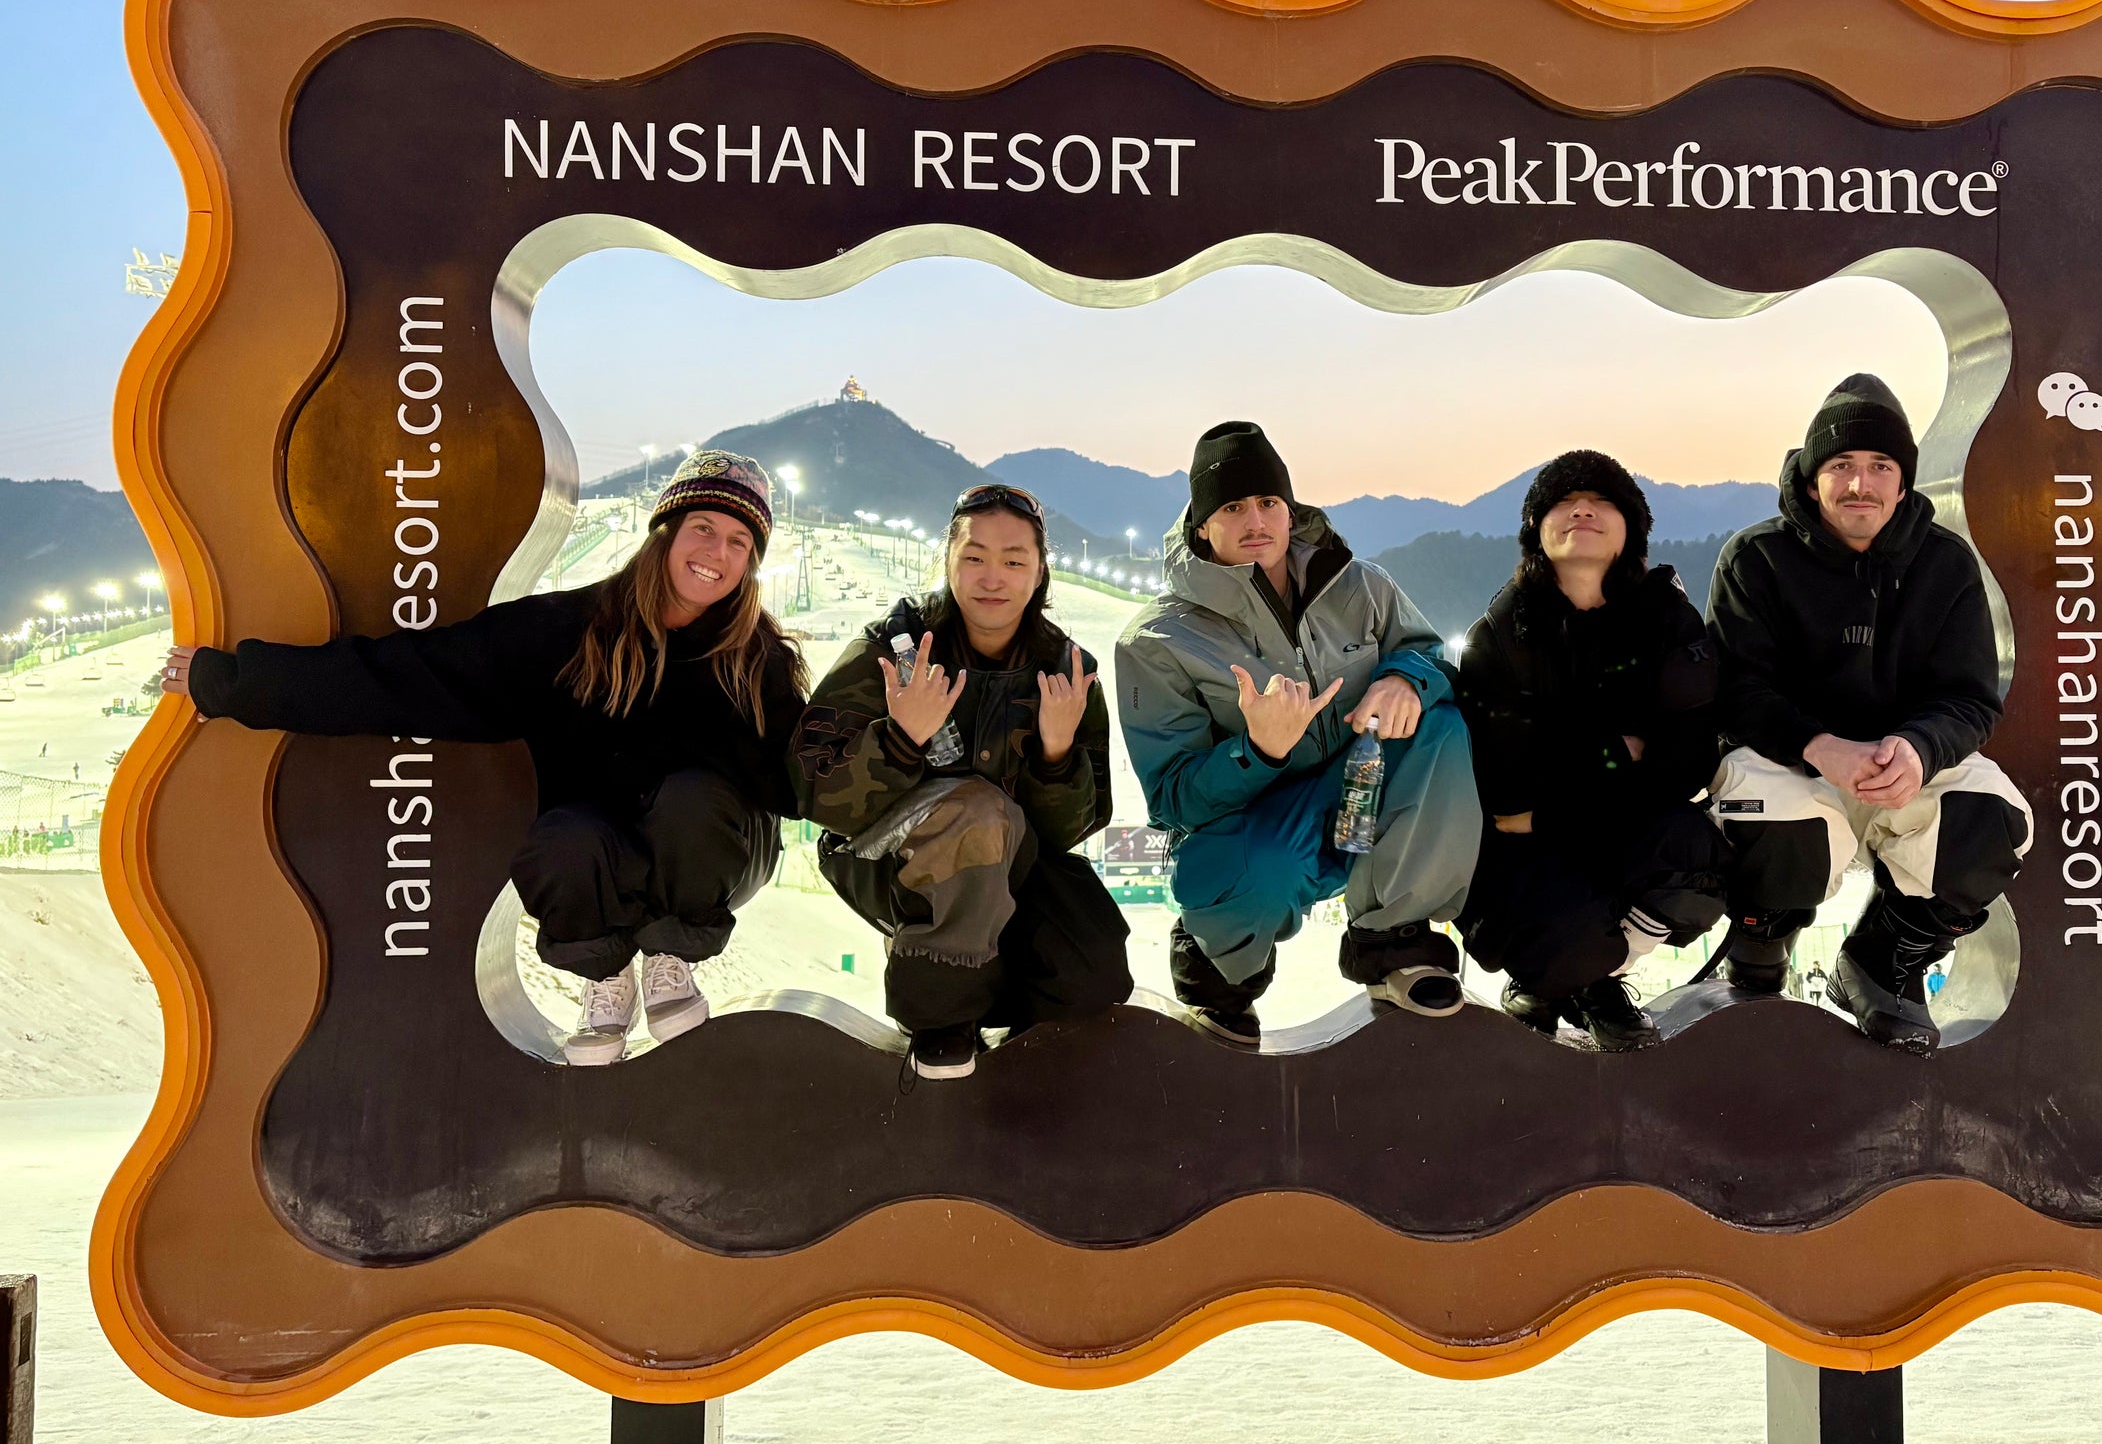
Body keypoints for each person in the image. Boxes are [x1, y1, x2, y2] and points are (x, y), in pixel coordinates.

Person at [161, 450, 807, 1066]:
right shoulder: (566, 633)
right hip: (599, 857)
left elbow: (812, 774)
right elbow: (406, 677)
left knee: (693, 801)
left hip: (709, 852)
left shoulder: (758, 663)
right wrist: (236, 683)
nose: (717, 553)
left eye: (738, 542)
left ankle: (672, 955)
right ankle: (606, 974)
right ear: (665, 535)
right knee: (562, 838)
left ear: (750, 563)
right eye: (703, 528)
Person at [1115, 422, 1481, 1043]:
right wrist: (1258, 751)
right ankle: (1218, 967)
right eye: (1232, 507)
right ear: (1202, 526)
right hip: (1260, 825)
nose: (1256, 520)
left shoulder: (1359, 586)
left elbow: (1427, 655)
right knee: (1259, 872)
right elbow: (1173, 799)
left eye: (1269, 501)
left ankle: (1392, 942)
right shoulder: (1157, 642)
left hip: (1361, 788)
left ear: (1290, 510)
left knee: (1441, 725)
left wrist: (1404, 679)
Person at [1706, 375, 2032, 1053]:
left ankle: (1883, 958)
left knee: (1994, 819)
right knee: (1772, 817)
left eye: (1881, 466)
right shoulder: (1756, 559)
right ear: (1812, 478)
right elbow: (1736, 689)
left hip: (1899, 764)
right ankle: (1764, 938)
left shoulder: (1945, 564)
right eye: (1842, 465)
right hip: (1791, 761)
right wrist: (1818, 744)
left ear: (1903, 481)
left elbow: (1969, 697)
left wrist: (1918, 748)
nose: (1861, 484)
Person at [806, 483, 1129, 1080]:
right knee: (978, 810)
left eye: (1014, 561)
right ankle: (940, 1016)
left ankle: (990, 1004)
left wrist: (1057, 755)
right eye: (975, 557)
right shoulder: (894, 651)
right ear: (949, 561)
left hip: (1011, 861)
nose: (992, 578)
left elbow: (1068, 833)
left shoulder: (1065, 671)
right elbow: (815, 791)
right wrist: (898, 739)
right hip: (889, 858)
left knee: (1092, 970)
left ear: (1039, 573)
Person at [1456, 452, 1729, 1051]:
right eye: (1564, 501)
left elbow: (1688, 758)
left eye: (1603, 501)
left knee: (1697, 859)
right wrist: (1620, 752)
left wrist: (1563, 780)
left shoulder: (1665, 619)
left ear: (1631, 528)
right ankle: (1565, 976)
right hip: (1528, 853)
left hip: (1591, 824)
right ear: (1537, 529)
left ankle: (1593, 979)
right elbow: (1505, 791)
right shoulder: (1501, 634)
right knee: (1565, 935)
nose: (1583, 509)